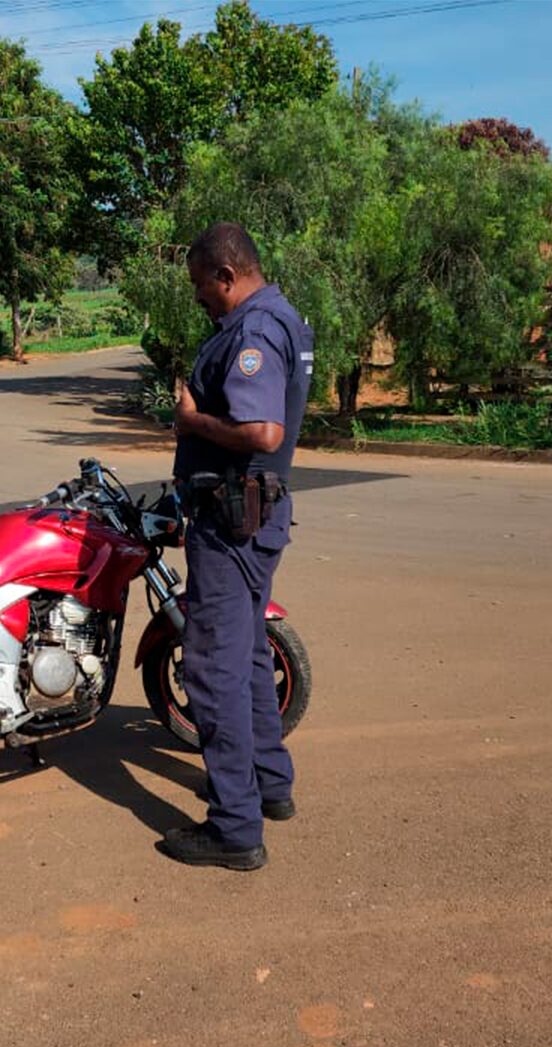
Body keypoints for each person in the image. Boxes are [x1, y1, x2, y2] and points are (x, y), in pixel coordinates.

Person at [156, 223, 313, 872]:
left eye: (201, 285)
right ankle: (267, 785)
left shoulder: (251, 331)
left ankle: (234, 829)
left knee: (212, 669)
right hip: (256, 515)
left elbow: (262, 428)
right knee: (247, 658)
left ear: (227, 275)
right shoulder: (285, 319)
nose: (199, 297)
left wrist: (191, 421)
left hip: (231, 520)